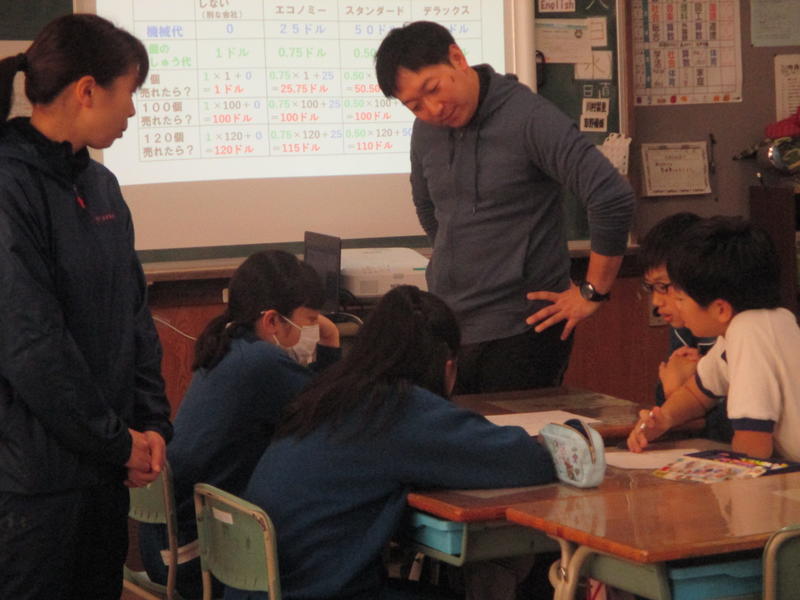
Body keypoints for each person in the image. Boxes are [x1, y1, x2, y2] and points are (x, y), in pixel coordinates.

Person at [226, 285, 556, 600]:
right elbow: (529, 461)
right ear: (447, 365)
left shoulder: (330, 392)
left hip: (266, 589)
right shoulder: (399, 408)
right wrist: (569, 434)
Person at [0, 14, 173, 600]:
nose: (133, 112)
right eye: (129, 93)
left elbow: (134, 316)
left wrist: (151, 425)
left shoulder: (101, 188)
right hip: (34, 487)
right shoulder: (10, 186)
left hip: (105, 471)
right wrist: (116, 441)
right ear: (87, 90)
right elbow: (31, 345)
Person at [374, 21, 635, 394]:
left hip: (522, 330)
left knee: (511, 431)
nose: (432, 109)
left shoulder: (528, 117)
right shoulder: (426, 129)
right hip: (450, 324)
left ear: (457, 58)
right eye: (414, 105)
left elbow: (611, 195)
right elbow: (428, 206)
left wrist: (593, 291)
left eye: (433, 89)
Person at [139, 250, 341, 599]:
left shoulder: (230, 344)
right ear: (272, 320)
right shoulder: (262, 362)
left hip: (166, 546)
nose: (313, 328)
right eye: (309, 320)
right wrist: (331, 341)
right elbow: (335, 415)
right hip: (198, 556)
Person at [628, 217, 800, 461]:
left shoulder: (748, 333)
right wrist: (664, 419)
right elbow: (698, 394)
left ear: (720, 309)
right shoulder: (767, 321)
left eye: (681, 299)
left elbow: (753, 447)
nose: (676, 306)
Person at [638, 212, 732, 442]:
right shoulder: (686, 327)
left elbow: (736, 427)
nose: (656, 301)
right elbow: (673, 390)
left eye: (663, 286)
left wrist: (675, 394)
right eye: (651, 288)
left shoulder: (744, 333)